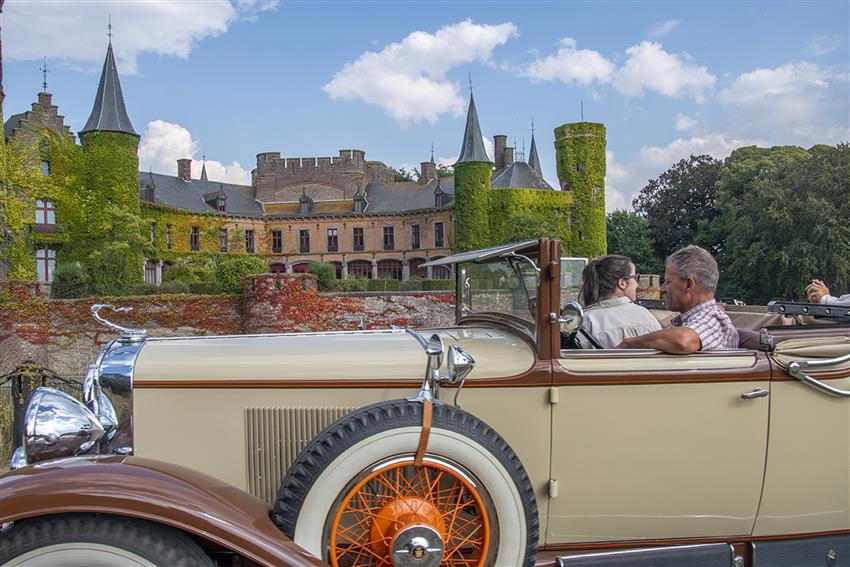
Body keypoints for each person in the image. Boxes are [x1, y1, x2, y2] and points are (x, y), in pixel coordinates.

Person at [619, 245, 738, 353]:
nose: (662, 289)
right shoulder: (696, 320)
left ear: (688, 284)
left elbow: (683, 341)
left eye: (668, 282)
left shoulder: (713, 320)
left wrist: (629, 343)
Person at [578, 255, 661, 349]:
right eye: (634, 277)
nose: (637, 284)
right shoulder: (645, 316)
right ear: (622, 283)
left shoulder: (584, 321)